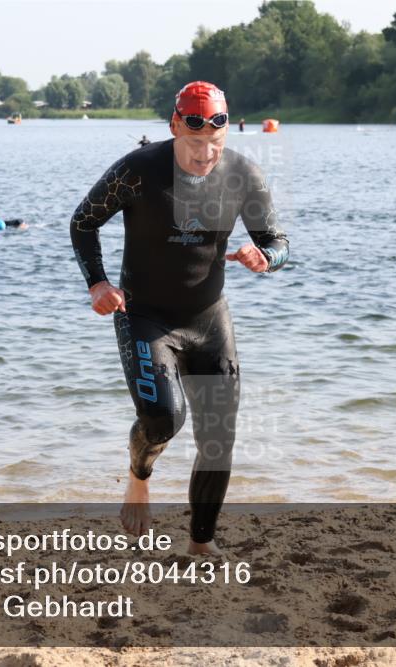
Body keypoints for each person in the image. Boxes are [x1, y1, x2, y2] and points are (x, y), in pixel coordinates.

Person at [69, 80, 289, 555]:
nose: (204, 155)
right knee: (163, 419)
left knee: (218, 438)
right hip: (144, 316)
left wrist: (264, 258)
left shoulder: (244, 175)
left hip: (208, 319)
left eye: (214, 143)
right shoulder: (138, 170)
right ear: (174, 127)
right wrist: (99, 284)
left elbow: (278, 241)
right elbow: (83, 222)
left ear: (226, 134)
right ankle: (139, 474)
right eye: (194, 144)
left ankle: (200, 544)